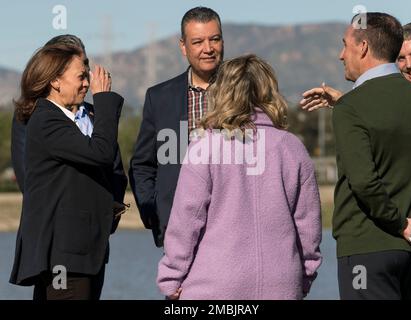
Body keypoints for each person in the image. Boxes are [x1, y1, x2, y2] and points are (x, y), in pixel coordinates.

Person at [156, 54, 322, 300]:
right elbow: (308, 228)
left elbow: (186, 221)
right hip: (281, 284)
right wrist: (304, 276)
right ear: (268, 92)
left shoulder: (205, 147)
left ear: (222, 92)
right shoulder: (292, 148)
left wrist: (171, 278)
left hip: (213, 287)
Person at [9, 42, 125, 300]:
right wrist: (104, 98)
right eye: (81, 77)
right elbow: (101, 152)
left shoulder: (69, 118)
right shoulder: (47, 119)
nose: (87, 83)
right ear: (55, 82)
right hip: (64, 256)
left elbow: (112, 166)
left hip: (86, 250)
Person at [325, 13, 411, 299]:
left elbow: (364, 182)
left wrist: (400, 224)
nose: (341, 55)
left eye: (345, 45)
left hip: (367, 249)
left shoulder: (351, 107)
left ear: (363, 47)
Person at [129, 7, 224, 247]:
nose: (208, 48)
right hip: (179, 230)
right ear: (183, 46)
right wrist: (155, 214)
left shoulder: (246, 91)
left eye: (214, 39)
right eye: (198, 41)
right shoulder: (159, 98)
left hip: (234, 229)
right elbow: (142, 165)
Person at [11, 35, 128, 215]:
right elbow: (28, 179)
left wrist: (108, 216)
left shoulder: (95, 115)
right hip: (58, 229)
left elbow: (116, 170)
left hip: (95, 232)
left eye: (85, 65)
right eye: (80, 73)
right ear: (54, 76)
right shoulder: (34, 117)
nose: (87, 82)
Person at [299, 20, 411, 110]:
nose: (409, 64)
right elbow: (381, 116)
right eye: (401, 58)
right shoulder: (399, 99)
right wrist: (343, 102)